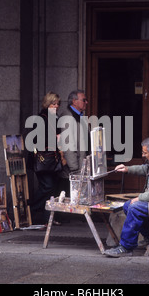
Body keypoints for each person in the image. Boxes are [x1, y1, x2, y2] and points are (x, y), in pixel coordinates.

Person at [30, 92, 62, 225]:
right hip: (43, 159)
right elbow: (36, 139)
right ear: (47, 104)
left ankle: (47, 217)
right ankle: (31, 209)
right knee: (47, 186)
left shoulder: (54, 118)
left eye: (58, 104)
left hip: (52, 159)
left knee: (52, 188)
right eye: (53, 103)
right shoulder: (41, 118)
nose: (56, 106)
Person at [57, 90, 89, 196]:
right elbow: (68, 146)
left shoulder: (79, 116)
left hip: (80, 167)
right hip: (73, 170)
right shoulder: (68, 117)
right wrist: (74, 169)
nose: (86, 102)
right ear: (74, 101)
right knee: (70, 198)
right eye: (84, 100)